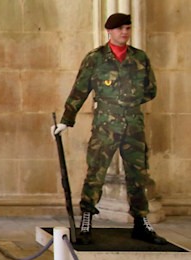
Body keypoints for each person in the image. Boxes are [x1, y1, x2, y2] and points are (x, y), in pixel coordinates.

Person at [52, 12, 167, 245]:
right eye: (119, 29)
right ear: (109, 31)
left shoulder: (140, 58)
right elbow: (80, 90)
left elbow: (150, 90)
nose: (124, 32)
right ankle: (87, 219)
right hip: (105, 126)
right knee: (96, 174)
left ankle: (141, 222)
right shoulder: (95, 59)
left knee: (138, 175)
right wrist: (66, 119)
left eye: (127, 28)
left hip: (133, 126)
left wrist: (126, 102)